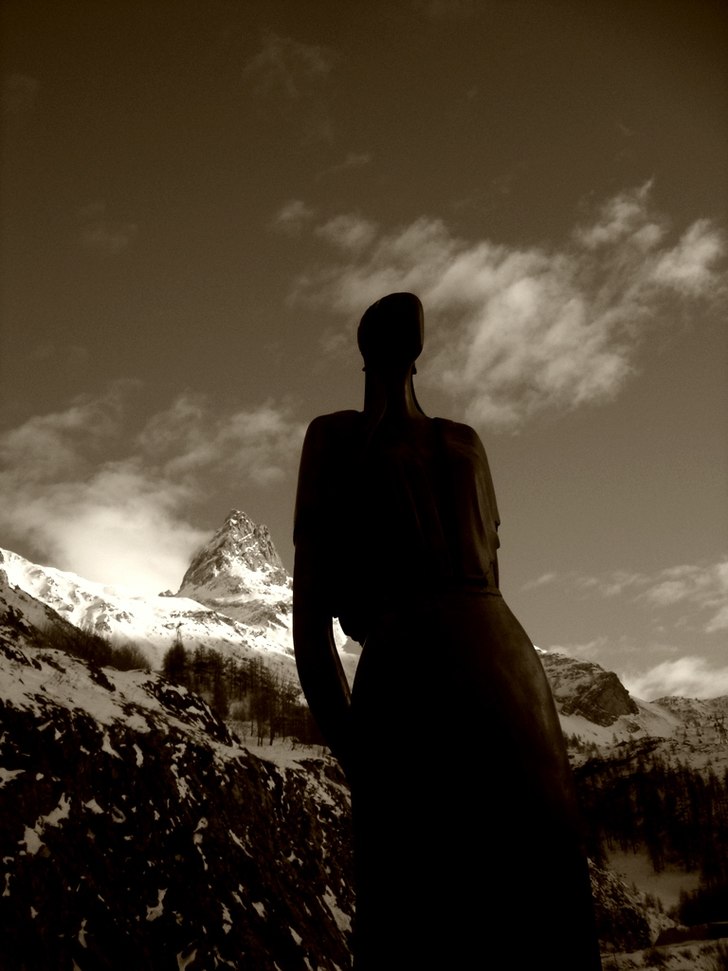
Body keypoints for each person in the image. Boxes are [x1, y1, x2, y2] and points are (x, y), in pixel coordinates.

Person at [293, 292, 602, 969]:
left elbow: (312, 622)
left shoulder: (437, 440)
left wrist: (357, 754)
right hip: (482, 662)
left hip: (469, 665)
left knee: (487, 898)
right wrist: (360, 755)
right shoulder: (350, 438)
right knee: (459, 901)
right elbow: (312, 624)